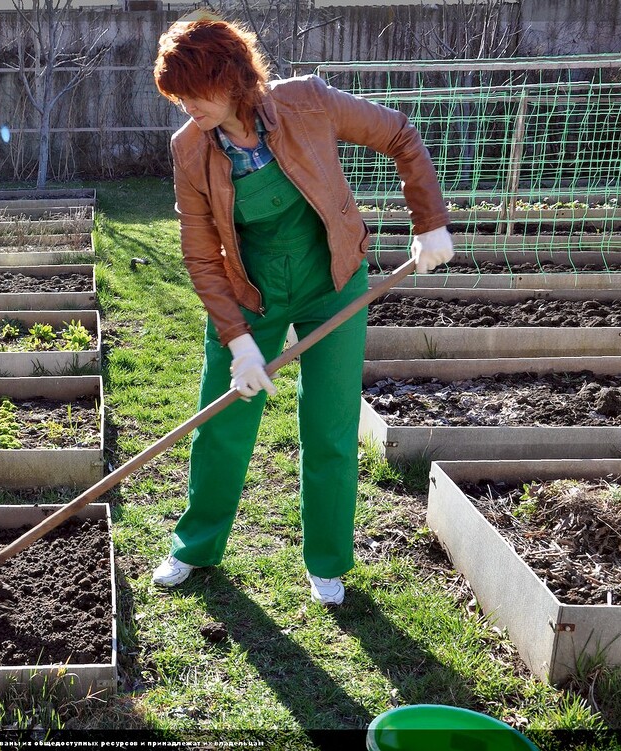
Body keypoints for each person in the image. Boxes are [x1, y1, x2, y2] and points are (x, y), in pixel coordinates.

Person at [150, 15, 453, 605]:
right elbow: (199, 251)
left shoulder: (308, 103)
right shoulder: (190, 149)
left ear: (231, 78)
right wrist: (238, 342)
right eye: (177, 97)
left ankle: (327, 561)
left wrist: (430, 222)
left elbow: (401, 135)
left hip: (333, 284)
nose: (186, 107)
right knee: (221, 422)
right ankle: (196, 545)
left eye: (193, 92)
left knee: (330, 426)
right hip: (251, 293)